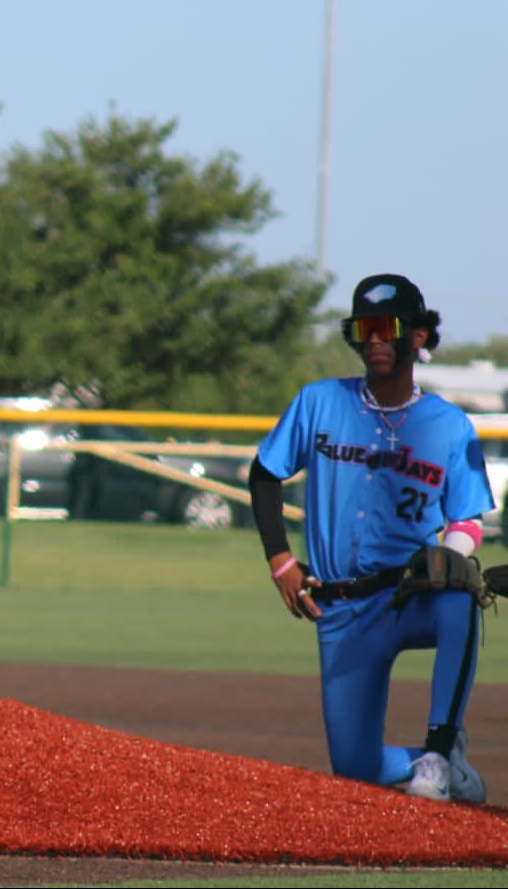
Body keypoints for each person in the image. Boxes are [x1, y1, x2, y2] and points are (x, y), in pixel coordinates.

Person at [253, 274, 493, 801]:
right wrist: (281, 563)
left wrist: (450, 554)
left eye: (388, 327)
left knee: (459, 596)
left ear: (419, 336)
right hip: (342, 606)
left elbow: (468, 518)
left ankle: (439, 748)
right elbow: (265, 473)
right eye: (364, 329)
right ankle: (441, 765)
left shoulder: (449, 425)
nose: (375, 339)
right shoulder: (320, 402)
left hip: (410, 594)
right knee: (355, 767)